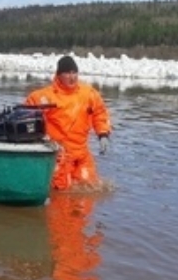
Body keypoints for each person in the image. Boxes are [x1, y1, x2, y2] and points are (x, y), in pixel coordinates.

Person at [24, 55, 112, 191]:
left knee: (89, 188)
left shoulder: (88, 94)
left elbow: (100, 113)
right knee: (59, 193)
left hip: (82, 154)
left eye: (74, 72)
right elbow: (26, 119)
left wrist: (103, 134)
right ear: (59, 75)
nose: (72, 77)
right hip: (58, 154)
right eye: (67, 73)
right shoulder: (43, 97)